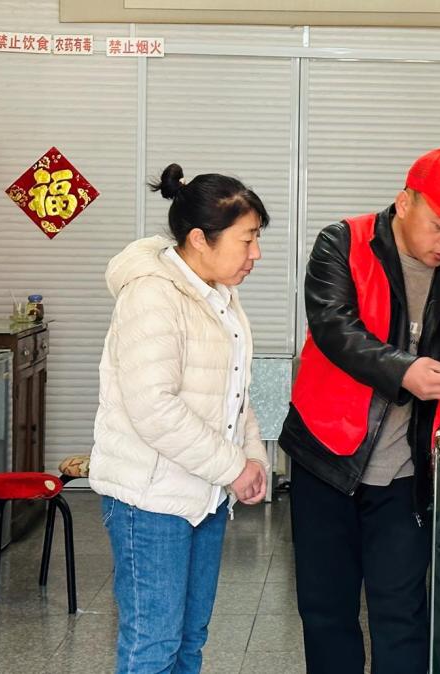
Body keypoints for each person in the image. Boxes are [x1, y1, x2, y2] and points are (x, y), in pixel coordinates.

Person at [280, 148, 440, 674]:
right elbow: (335, 330)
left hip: (403, 471)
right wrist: (405, 371)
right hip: (327, 459)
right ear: (404, 202)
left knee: (403, 614)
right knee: (327, 613)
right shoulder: (342, 243)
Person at [90, 164, 272, 673]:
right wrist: (232, 466)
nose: (255, 254)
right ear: (199, 238)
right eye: (247, 240)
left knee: (189, 640)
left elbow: (234, 390)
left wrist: (252, 458)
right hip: (152, 499)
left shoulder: (218, 295)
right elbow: (154, 407)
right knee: (153, 644)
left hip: (203, 493)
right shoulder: (151, 294)